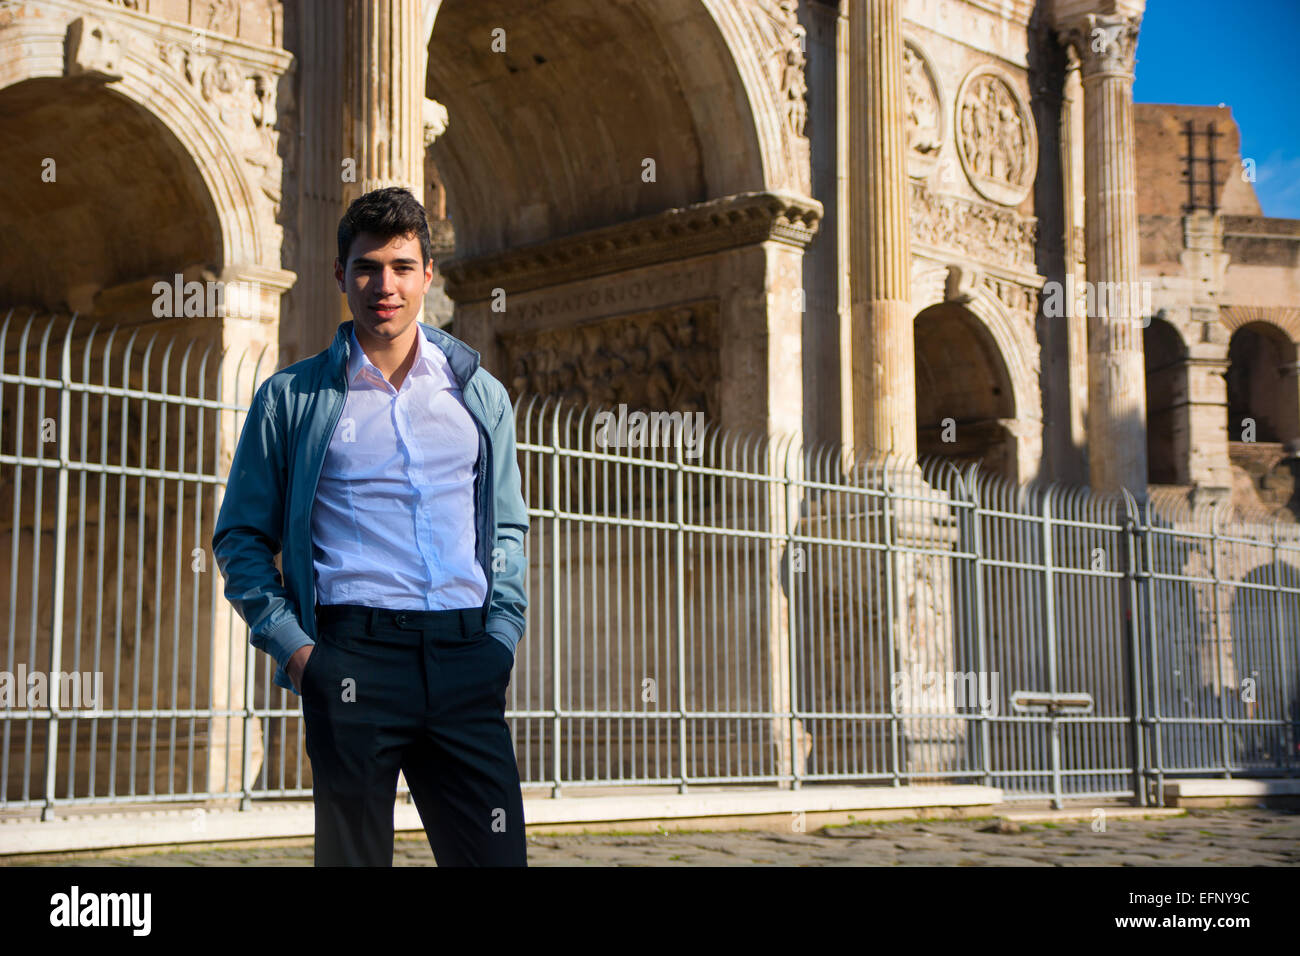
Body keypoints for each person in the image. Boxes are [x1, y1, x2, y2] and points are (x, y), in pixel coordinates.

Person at [212, 186, 530, 866]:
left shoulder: (478, 393)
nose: (384, 285)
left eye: (401, 266)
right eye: (367, 268)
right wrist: (298, 652)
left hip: (466, 656)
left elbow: (507, 527)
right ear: (341, 276)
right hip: (350, 657)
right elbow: (240, 537)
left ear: (427, 276)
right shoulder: (289, 399)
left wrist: (501, 635)